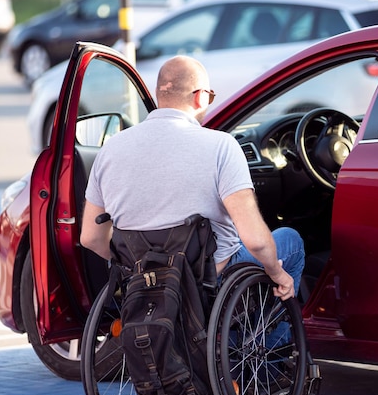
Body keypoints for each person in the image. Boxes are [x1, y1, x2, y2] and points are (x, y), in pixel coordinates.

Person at [80, 55, 304, 301]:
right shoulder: (221, 146)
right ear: (200, 97)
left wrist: (135, 267)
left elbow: (90, 237)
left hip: (141, 281)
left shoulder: (111, 149)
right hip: (208, 278)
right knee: (290, 241)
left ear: (159, 95)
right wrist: (277, 273)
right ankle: (267, 338)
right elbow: (256, 241)